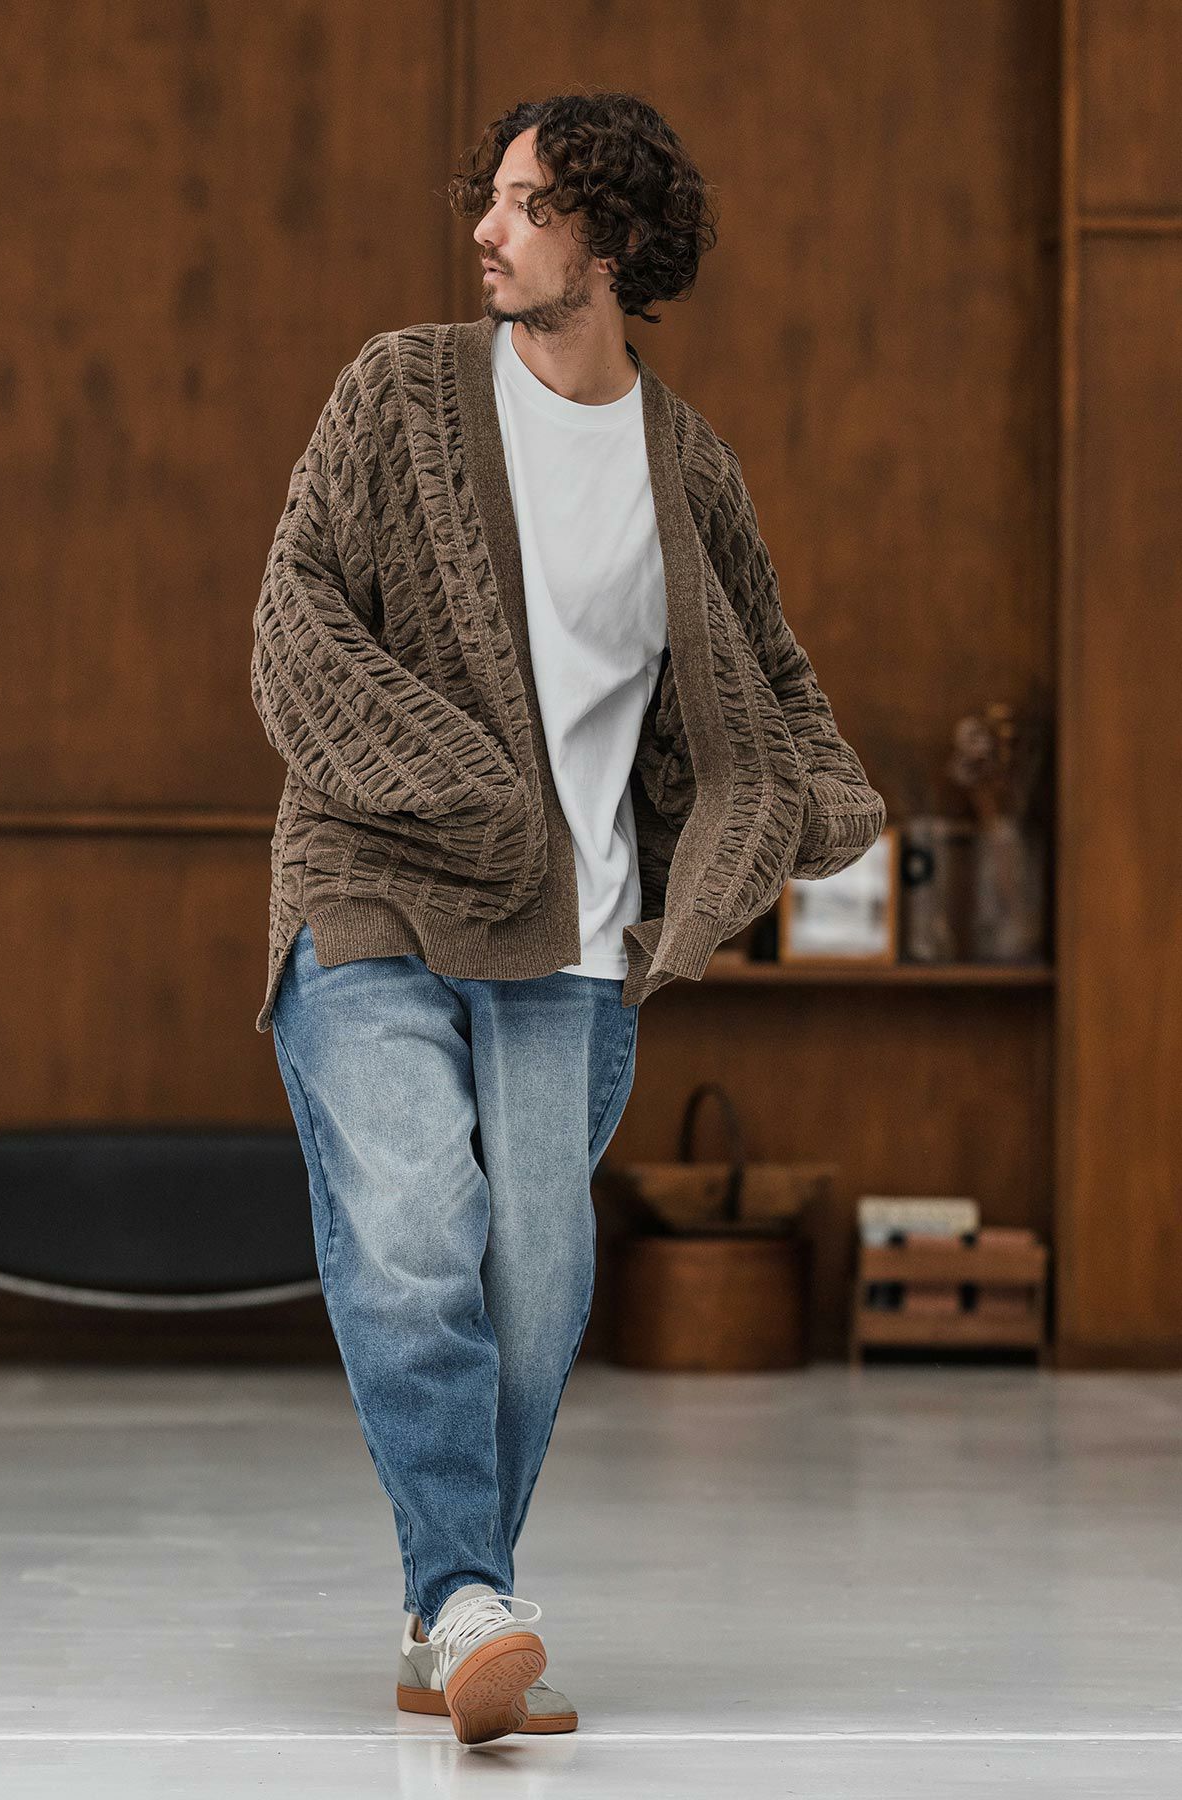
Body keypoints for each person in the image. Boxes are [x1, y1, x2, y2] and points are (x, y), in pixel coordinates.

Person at [249, 91, 885, 1746]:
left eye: (529, 204)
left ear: (613, 244)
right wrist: (460, 782)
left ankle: (447, 1616)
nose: (488, 226)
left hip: (575, 942)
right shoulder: (398, 391)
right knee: (411, 1222)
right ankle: (470, 1593)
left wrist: (813, 804)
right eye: (494, 193)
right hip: (372, 887)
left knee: (535, 1278)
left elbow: (771, 683)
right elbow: (293, 622)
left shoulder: (688, 468)